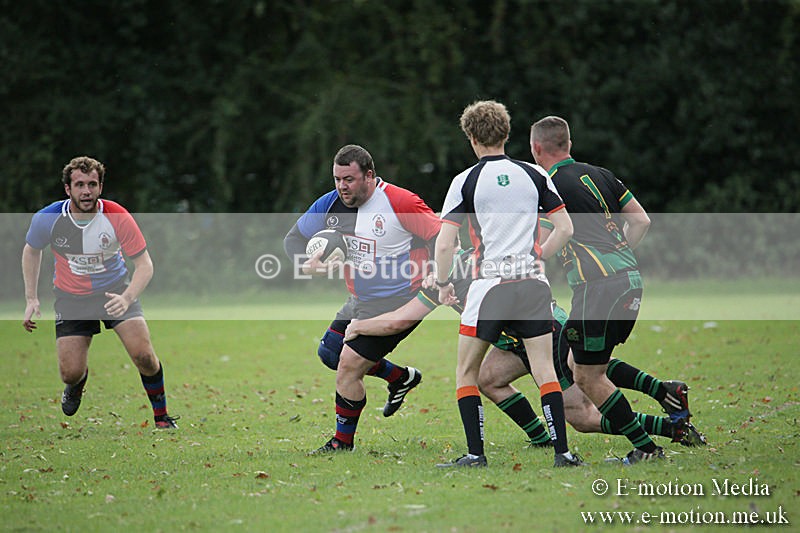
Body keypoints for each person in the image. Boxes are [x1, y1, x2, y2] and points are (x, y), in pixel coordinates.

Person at [345, 252, 706, 449]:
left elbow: (398, 321)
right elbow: (399, 318)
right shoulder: (442, 276)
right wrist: (363, 323)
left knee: (581, 414)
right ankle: (542, 436)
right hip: (524, 339)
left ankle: (670, 429)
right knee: (489, 377)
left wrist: (359, 326)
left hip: (543, 333)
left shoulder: (459, 270)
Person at [434, 100, 581, 468]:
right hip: (533, 284)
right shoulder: (534, 175)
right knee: (544, 370)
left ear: (471, 137)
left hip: (490, 287)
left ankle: (475, 454)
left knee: (467, 372)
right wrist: (537, 256)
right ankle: (562, 452)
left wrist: (441, 282)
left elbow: (445, 242)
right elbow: (565, 228)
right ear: (507, 133)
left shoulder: (464, 181)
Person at [283, 144, 441, 453]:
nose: (342, 186)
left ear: (369, 175)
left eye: (349, 179)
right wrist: (306, 264)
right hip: (359, 299)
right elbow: (293, 239)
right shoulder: (330, 206)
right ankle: (401, 377)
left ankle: (343, 444)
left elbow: (441, 235)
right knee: (329, 354)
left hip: (400, 299)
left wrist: (437, 273)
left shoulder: (400, 201)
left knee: (349, 365)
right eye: (337, 179)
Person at [530, 115, 658, 465]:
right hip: (629, 279)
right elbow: (642, 220)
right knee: (578, 363)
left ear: (536, 148)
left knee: (587, 375)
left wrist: (532, 261)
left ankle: (646, 447)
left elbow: (550, 237)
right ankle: (663, 400)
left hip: (598, 287)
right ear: (568, 144)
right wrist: (621, 256)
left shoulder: (548, 185)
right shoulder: (601, 174)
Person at [22, 156, 179, 429]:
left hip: (115, 292)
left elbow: (144, 265)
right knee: (70, 373)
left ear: (100, 187)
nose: (86, 191)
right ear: (68, 189)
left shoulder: (117, 215)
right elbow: (31, 251)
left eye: (92, 184)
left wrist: (127, 297)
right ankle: (76, 384)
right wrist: (31, 297)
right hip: (71, 298)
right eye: (79, 184)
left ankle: (162, 417)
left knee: (144, 356)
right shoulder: (48, 218)